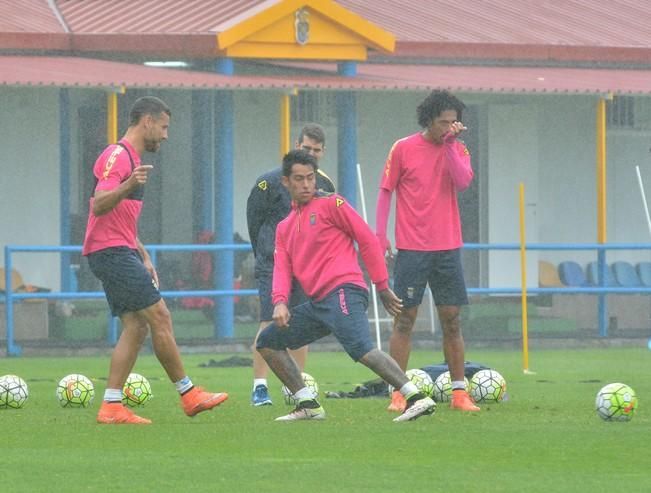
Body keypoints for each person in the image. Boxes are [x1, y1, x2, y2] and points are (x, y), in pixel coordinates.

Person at [256, 149, 435, 422]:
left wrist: (382, 285)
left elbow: (366, 239)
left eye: (310, 178)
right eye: (299, 179)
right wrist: (280, 300)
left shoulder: (332, 205)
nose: (306, 185)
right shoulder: (285, 227)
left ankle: (416, 397)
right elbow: (282, 267)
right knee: (268, 342)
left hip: (344, 291)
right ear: (286, 182)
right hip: (318, 303)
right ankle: (308, 405)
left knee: (361, 348)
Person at [82, 96, 228, 424]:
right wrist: (130, 184)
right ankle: (189, 394)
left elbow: (119, 220)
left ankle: (111, 406)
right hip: (110, 252)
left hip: (118, 249)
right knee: (160, 316)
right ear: (146, 120)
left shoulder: (131, 158)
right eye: (163, 127)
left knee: (137, 326)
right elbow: (100, 204)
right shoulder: (118, 155)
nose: (165, 135)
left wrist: (143, 254)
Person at [375, 90, 479, 413]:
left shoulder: (458, 148)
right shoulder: (403, 148)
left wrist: (450, 145)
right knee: (405, 319)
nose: (448, 128)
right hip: (412, 249)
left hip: (448, 248)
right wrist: (380, 235)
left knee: (452, 320)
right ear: (428, 120)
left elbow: (463, 182)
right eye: (442, 123)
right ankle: (398, 392)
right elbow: (385, 191)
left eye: (453, 122)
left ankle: (460, 393)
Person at [246, 124, 335, 406]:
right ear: (296, 145)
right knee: (269, 319)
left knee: (301, 323)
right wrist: (264, 253)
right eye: (306, 148)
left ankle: (297, 385)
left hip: (306, 266)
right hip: (273, 264)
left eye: (316, 150)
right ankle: (259, 387)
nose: (310, 153)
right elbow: (254, 220)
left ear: (323, 153)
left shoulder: (326, 185)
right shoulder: (268, 182)